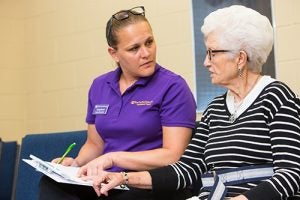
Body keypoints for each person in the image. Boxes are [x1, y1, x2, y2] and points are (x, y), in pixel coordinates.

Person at [90, 5, 300, 200]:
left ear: (240, 58)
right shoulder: (215, 109)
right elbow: (186, 169)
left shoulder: (277, 97)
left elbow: (292, 174)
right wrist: (125, 178)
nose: (206, 62)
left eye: (212, 53)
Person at [38, 5, 196, 200]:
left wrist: (113, 157)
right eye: (134, 48)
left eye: (149, 42)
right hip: (107, 180)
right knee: (51, 184)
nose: (146, 53)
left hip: (146, 183)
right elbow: (94, 144)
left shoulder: (173, 86)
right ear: (114, 53)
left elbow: (172, 155)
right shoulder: (99, 86)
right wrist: (77, 163)